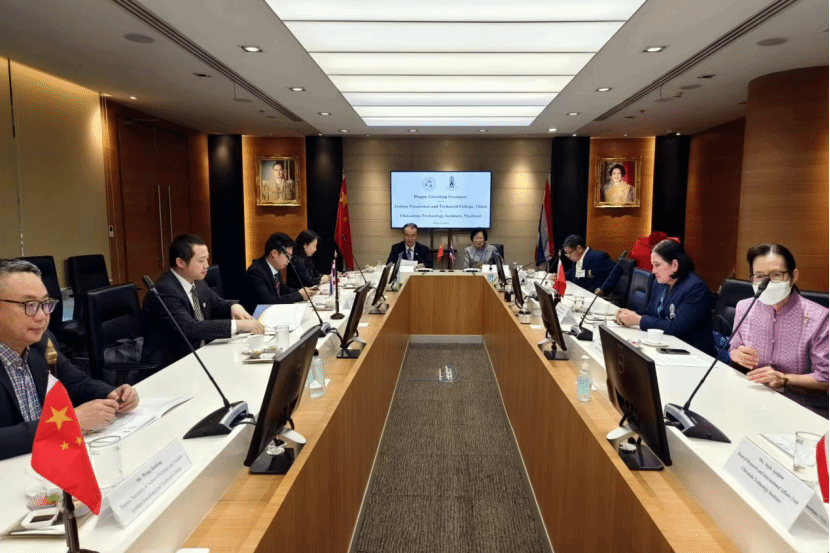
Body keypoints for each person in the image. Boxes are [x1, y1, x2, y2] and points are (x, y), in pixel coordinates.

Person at [0, 259, 139, 460]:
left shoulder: (43, 342)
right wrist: (67, 423)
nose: (42, 317)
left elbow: (76, 382)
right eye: (29, 305)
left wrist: (113, 393)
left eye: (45, 304)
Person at [729, 243, 828, 417]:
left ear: (793, 276)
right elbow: (733, 348)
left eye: (775, 275)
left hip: (799, 405)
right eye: (759, 276)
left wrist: (785, 379)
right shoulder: (744, 307)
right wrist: (737, 355)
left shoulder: (819, 317)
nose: (766, 283)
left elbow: (825, 378)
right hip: (751, 395)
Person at [142, 234, 263, 368]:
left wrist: (234, 307)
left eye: (207, 259)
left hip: (202, 355)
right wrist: (239, 325)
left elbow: (217, 304)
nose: (206, 265)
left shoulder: (197, 282)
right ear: (180, 263)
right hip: (173, 364)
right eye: (201, 261)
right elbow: (191, 328)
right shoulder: (165, 290)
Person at [616, 239, 715, 355]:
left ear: (674, 265)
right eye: (652, 265)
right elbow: (652, 312)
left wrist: (638, 320)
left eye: (657, 265)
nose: (653, 271)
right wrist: (629, 314)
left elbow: (677, 328)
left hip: (693, 353)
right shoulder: (660, 282)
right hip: (666, 346)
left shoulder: (695, 288)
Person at [243, 232, 317, 312]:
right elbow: (269, 302)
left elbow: (282, 290)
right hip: (255, 316)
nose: (289, 260)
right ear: (274, 253)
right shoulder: (256, 272)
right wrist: (299, 295)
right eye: (287, 256)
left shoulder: (273, 267)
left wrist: (303, 291)